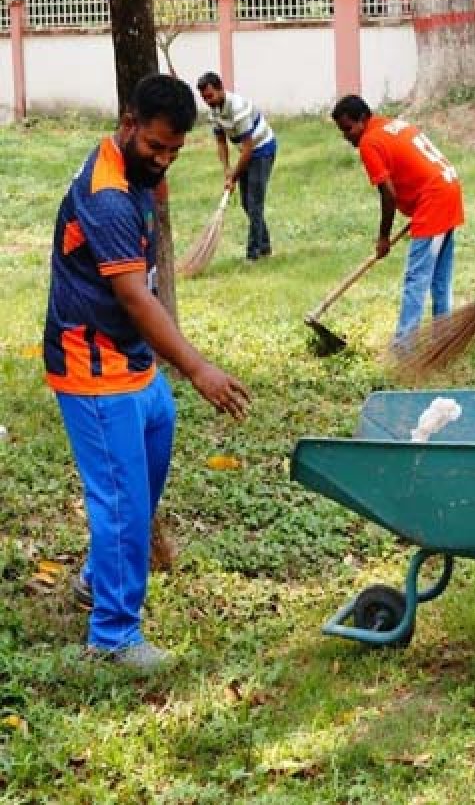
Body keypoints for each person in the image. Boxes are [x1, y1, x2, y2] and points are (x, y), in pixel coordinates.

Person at [43, 74, 251, 671]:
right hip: (94, 366)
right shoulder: (107, 192)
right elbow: (135, 297)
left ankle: (94, 578)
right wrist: (199, 368)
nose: (163, 161)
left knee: (142, 482)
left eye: (174, 152)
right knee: (122, 500)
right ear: (128, 122)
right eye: (155, 147)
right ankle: (111, 637)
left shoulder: (131, 169)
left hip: (133, 363)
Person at [330, 95, 465, 348]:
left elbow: (388, 194)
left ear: (362, 119)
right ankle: (443, 340)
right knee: (439, 277)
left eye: (348, 129)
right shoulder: (395, 124)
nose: (347, 136)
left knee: (418, 277)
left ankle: (404, 347)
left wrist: (383, 237)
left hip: (434, 198)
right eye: (342, 131)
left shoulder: (369, 142)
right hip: (448, 187)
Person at [195, 72, 277, 261]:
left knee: (254, 204)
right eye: (204, 98)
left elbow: (248, 149)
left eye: (210, 96)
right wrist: (226, 170)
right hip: (246, 153)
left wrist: (234, 176)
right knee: (246, 204)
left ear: (221, 89)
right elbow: (221, 143)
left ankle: (253, 255)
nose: (208, 101)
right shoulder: (214, 112)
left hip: (262, 150)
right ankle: (265, 246)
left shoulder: (238, 108)